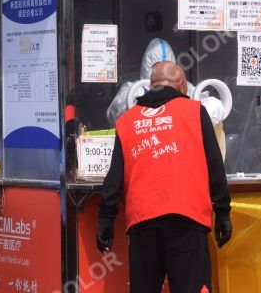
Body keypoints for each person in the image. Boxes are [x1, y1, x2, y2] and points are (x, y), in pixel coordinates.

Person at [97, 61, 231, 293]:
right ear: (181, 84)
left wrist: (105, 221)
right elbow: (214, 166)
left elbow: (114, 178)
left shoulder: (128, 121)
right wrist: (223, 213)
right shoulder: (195, 112)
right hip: (187, 221)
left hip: (142, 224)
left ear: (150, 85)